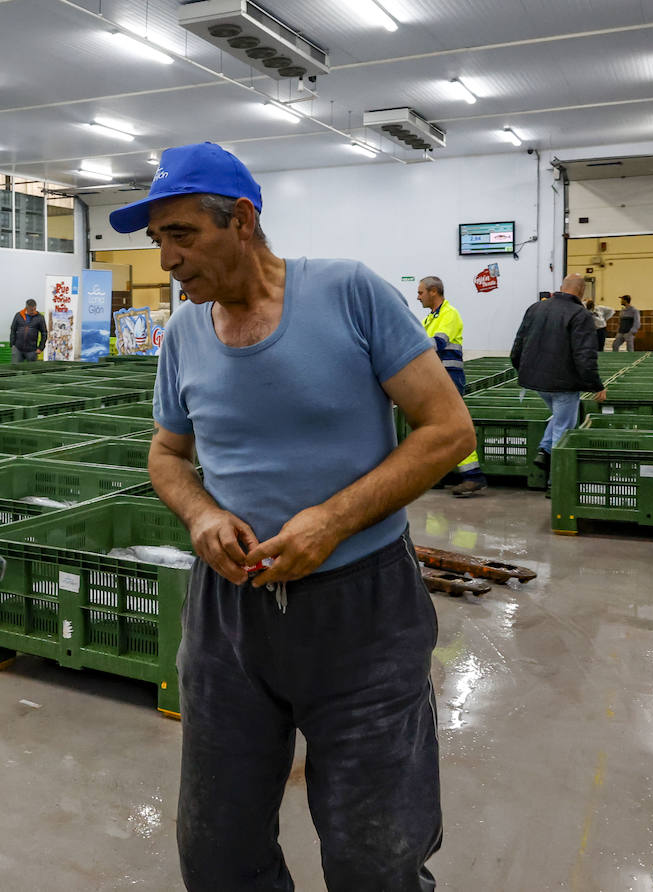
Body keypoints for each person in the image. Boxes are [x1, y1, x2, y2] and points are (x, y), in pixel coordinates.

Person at [118, 141, 472, 891]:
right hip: (228, 618)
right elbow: (167, 456)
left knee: (376, 853)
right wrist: (201, 515)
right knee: (217, 850)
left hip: (362, 609)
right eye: (158, 242)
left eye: (182, 235)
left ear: (241, 220)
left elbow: (448, 431)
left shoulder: (348, 293)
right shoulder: (184, 335)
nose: (167, 260)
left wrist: (333, 521)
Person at [510, 274, 607, 485]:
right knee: (564, 426)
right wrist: (596, 385)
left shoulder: (535, 308)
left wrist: (522, 370)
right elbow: (585, 355)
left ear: (562, 287)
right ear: (581, 292)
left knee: (560, 417)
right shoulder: (580, 315)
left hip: (537, 382)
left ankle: (544, 451)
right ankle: (556, 481)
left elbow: (518, 344)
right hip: (563, 383)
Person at [418, 275, 487, 497]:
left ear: (434, 291)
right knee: (438, 427)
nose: (418, 296)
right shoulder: (430, 318)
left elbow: (436, 344)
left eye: (421, 292)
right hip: (436, 378)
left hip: (448, 378)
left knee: (453, 425)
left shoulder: (449, 314)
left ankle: (473, 476)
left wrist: (406, 344)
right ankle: (442, 473)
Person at [9, 299, 47, 363]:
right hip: (18, 349)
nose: (33, 311)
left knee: (32, 371)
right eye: (31, 310)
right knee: (15, 369)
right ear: (26, 308)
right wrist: (12, 344)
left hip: (32, 350)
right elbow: (13, 329)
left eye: (34, 309)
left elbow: (44, 333)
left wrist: (41, 347)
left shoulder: (40, 318)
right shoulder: (18, 315)